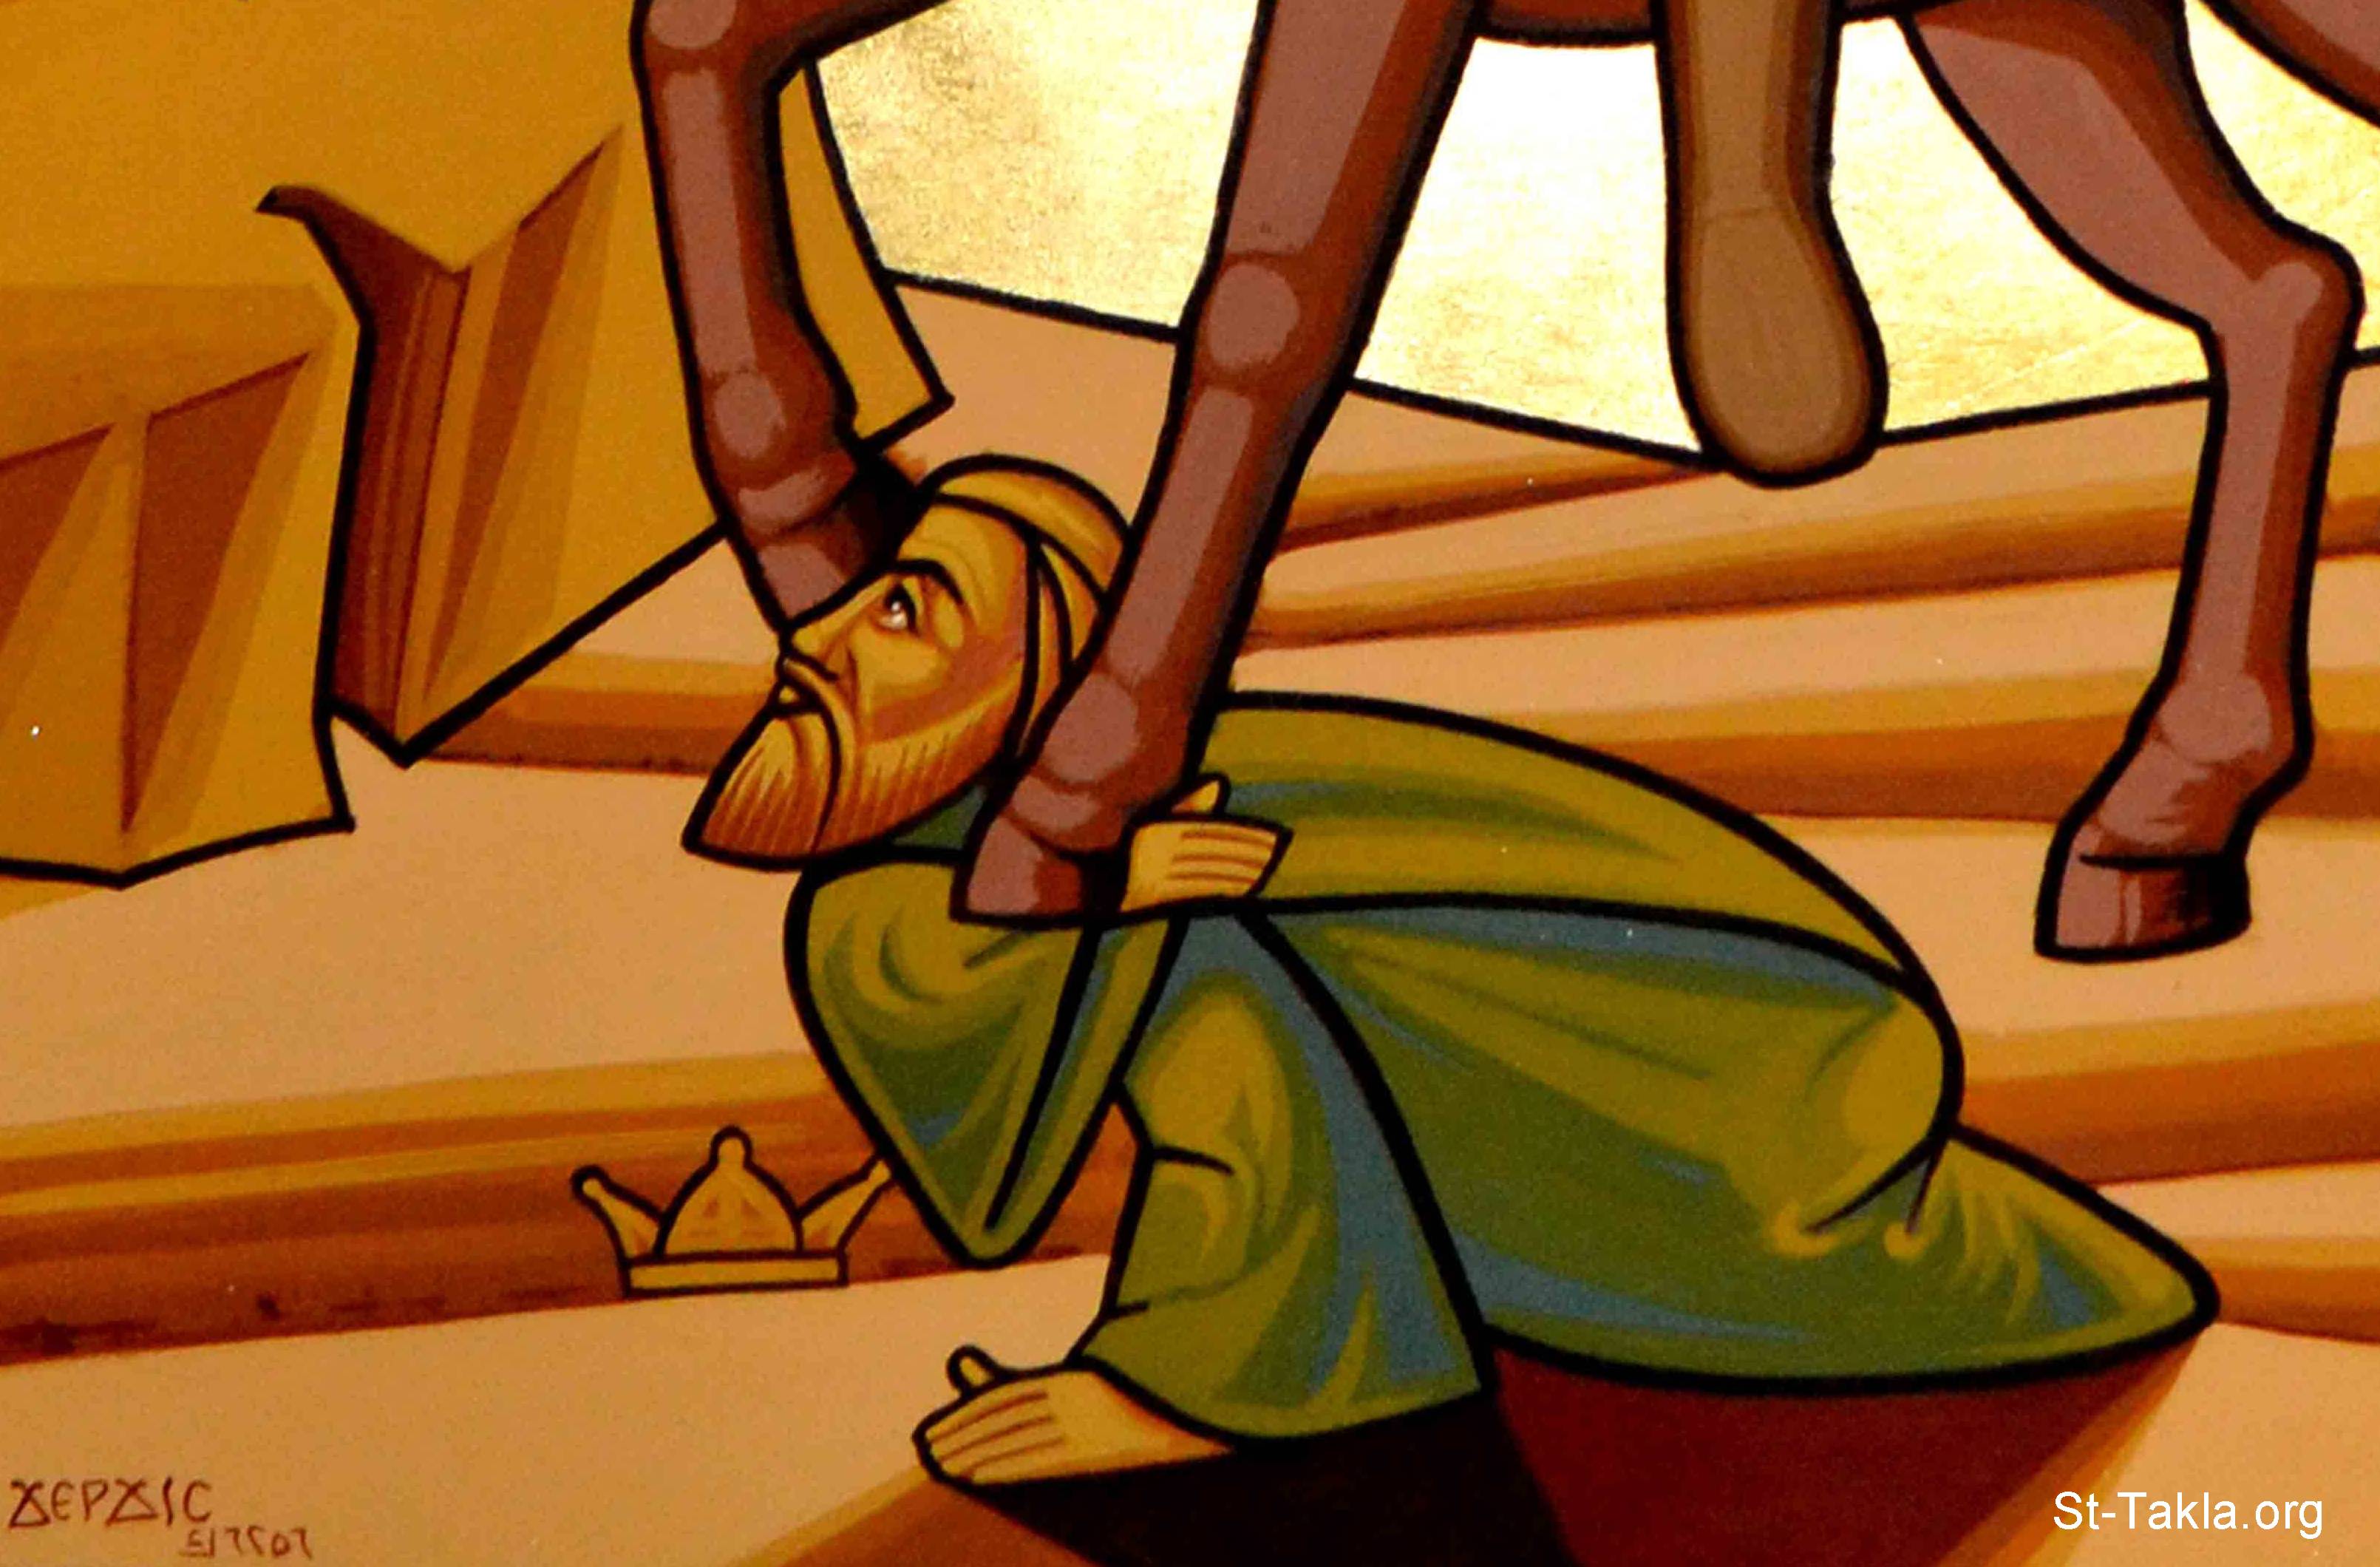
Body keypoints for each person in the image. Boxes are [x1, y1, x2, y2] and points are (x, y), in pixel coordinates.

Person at [686, 456, 2209, 1486]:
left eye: (907, 610)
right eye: (855, 601)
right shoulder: (944, 861)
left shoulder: (1179, 815)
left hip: (1723, 1124)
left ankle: (1241, 1368)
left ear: (1039, 682)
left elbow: (1278, 1019)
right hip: (1526, 1151)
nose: (821, 643)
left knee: (1193, 951)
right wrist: (1089, 900)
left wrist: (1112, 903)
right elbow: (910, 951)